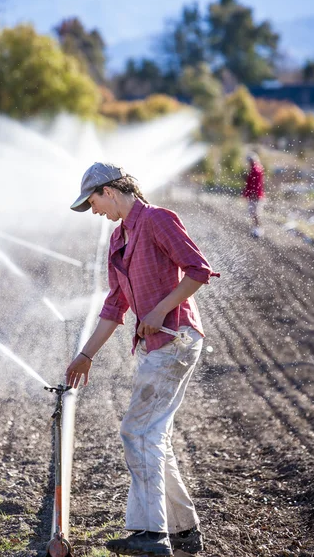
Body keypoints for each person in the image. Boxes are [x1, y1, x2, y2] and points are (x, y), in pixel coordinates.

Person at [66, 162, 219, 557]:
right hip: (158, 346)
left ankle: (152, 535)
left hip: (176, 338)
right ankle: (184, 531)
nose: (94, 211)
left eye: (94, 201)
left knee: (136, 431)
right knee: (155, 437)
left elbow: (198, 271)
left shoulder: (156, 220)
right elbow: (114, 306)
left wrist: (158, 311)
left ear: (112, 190)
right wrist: (85, 355)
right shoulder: (120, 239)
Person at [242, 151, 265, 237]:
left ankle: (258, 230)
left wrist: (253, 194)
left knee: (255, 213)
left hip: (255, 195)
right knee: (254, 213)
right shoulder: (256, 168)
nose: (248, 163)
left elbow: (255, 184)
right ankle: (257, 229)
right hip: (255, 195)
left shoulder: (255, 169)